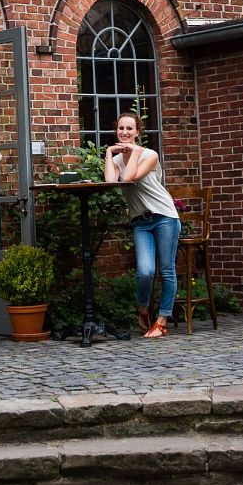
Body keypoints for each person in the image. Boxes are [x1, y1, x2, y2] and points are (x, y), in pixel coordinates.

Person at [103, 111, 180, 339]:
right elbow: (110, 182)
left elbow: (129, 178)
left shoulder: (150, 155)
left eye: (129, 128)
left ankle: (162, 321)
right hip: (140, 221)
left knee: (166, 270)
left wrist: (135, 152)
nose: (124, 132)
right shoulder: (116, 159)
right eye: (120, 128)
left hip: (164, 216)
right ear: (116, 131)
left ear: (138, 131)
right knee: (145, 271)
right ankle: (143, 309)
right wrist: (109, 153)